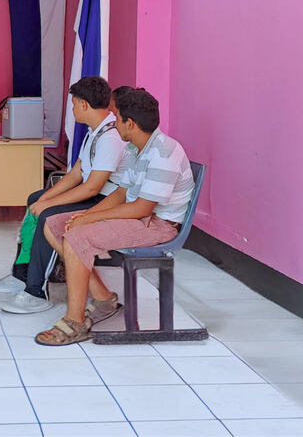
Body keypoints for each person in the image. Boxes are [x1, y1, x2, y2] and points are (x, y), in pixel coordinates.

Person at [35, 89, 194, 346]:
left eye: (117, 118)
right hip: (138, 216)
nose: (113, 122)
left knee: (77, 237)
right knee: (55, 225)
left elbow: (142, 208)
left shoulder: (164, 152)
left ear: (130, 124)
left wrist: (87, 221)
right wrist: (87, 215)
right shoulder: (135, 148)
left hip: (159, 225)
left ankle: (75, 322)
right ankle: (104, 300)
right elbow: (121, 193)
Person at [0, 77, 130, 315]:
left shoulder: (110, 137)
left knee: (48, 216)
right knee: (35, 199)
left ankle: (35, 292)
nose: (72, 110)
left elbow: (92, 189)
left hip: (106, 201)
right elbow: (75, 174)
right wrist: (44, 199)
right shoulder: (95, 131)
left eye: (73, 105)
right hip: (95, 193)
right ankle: (22, 274)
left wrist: (49, 204)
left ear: (84, 105)